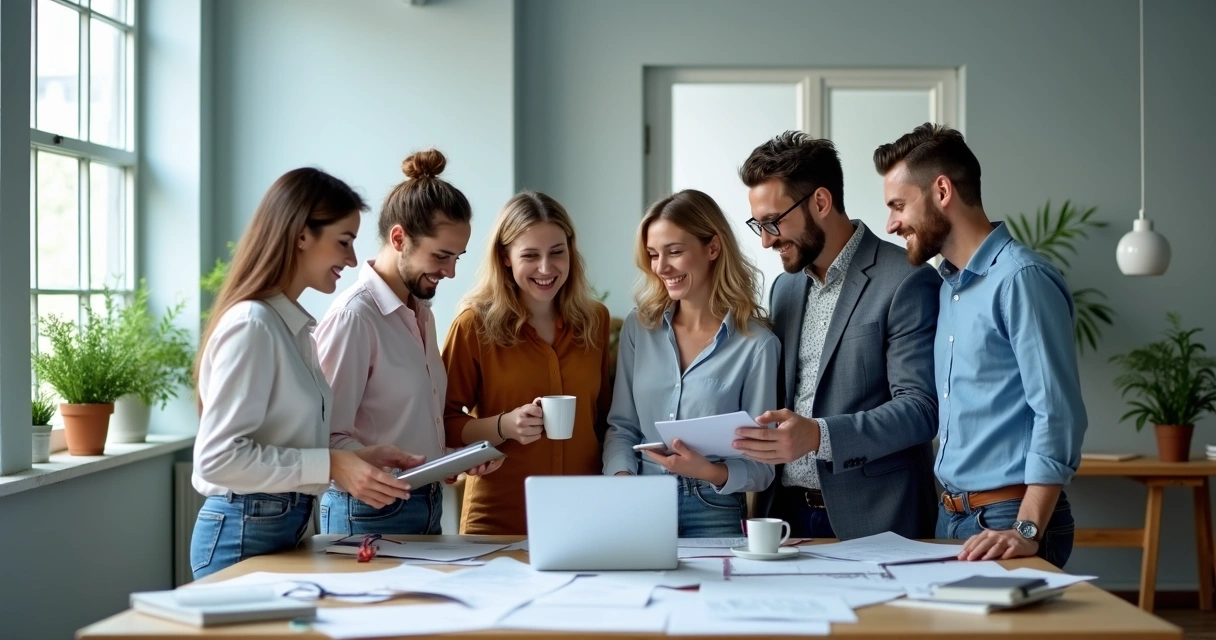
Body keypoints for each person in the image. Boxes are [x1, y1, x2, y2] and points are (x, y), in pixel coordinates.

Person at [190, 168, 423, 579]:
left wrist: (355, 459)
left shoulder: (292, 328)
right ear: (301, 235)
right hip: (243, 532)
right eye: (344, 242)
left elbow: (281, 439)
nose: (352, 260)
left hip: (278, 527)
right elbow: (217, 458)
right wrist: (332, 465)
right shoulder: (253, 324)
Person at [874, 123, 1086, 567]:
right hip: (950, 516)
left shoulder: (1021, 280)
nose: (891, 223)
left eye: (898, 205)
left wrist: (1027, 529)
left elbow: (1058, 413)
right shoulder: (948, 288)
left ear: (942, 191)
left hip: (1008, 517)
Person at [732, 131, 940, 540]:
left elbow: (920, 409)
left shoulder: (907, 279)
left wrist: (819, 435)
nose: (766, 240)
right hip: (785, 518)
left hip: (877, 518)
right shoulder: (785, 288)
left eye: (774, 222)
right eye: (759, 223)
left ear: (821, 202)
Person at [314, 150, 501, 536]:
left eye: (457, 257)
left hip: (424, 503)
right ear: (399, 238)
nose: (450, 271)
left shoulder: (422, 313)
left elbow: (407, 426)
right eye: (441, 256)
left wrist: (449, 460)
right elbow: (326, 437)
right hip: (367, 512)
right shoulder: (355, 317)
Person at [602, 190, 779, 537]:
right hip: (640, 500)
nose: (661, 267)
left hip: (714, 507)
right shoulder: (640, 328)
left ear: (712, 248)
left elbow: (762, 464)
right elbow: (621, 427)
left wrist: (709, 471)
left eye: (675, 252)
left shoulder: (758, 345)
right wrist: (622, 482)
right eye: (653, 255)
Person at [442, 191, 612, 535]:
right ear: (505, 257)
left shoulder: (596, 319)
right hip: (499, 518)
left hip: (584, 515)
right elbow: (440, 422)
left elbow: (605, 420)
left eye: (557, 253)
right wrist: (503, 426)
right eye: (530, 255)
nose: (546, 269)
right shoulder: (473, 325)